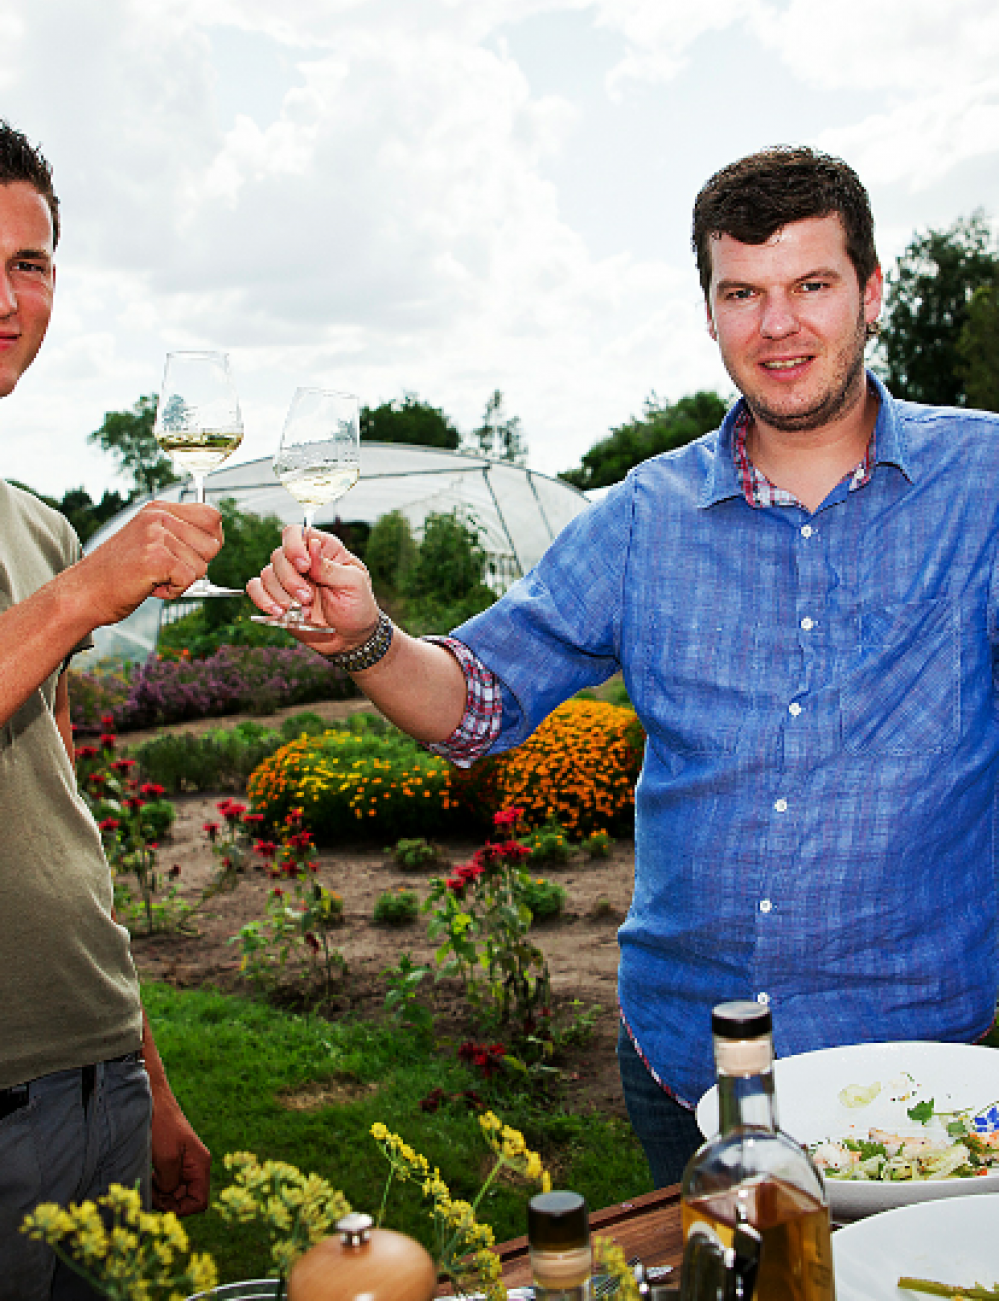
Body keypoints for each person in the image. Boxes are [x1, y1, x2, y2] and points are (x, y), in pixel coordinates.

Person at [248, 146, 999, 1188]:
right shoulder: (647, 514)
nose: (777, 326)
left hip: (921, 1074)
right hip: (687, 1067)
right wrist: (365, 636)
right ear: (710, 312)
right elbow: (478, 702)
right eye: (743, 293)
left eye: (811, 286)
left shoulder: (984, 485)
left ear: (872, 292)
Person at [0, 122, 219, 1298]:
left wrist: (147, 1082)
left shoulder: (34, 526)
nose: (9, 296)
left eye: (30, 265)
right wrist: (92, 586)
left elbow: (63, 823)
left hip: (96, 1080)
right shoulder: (66, 565)